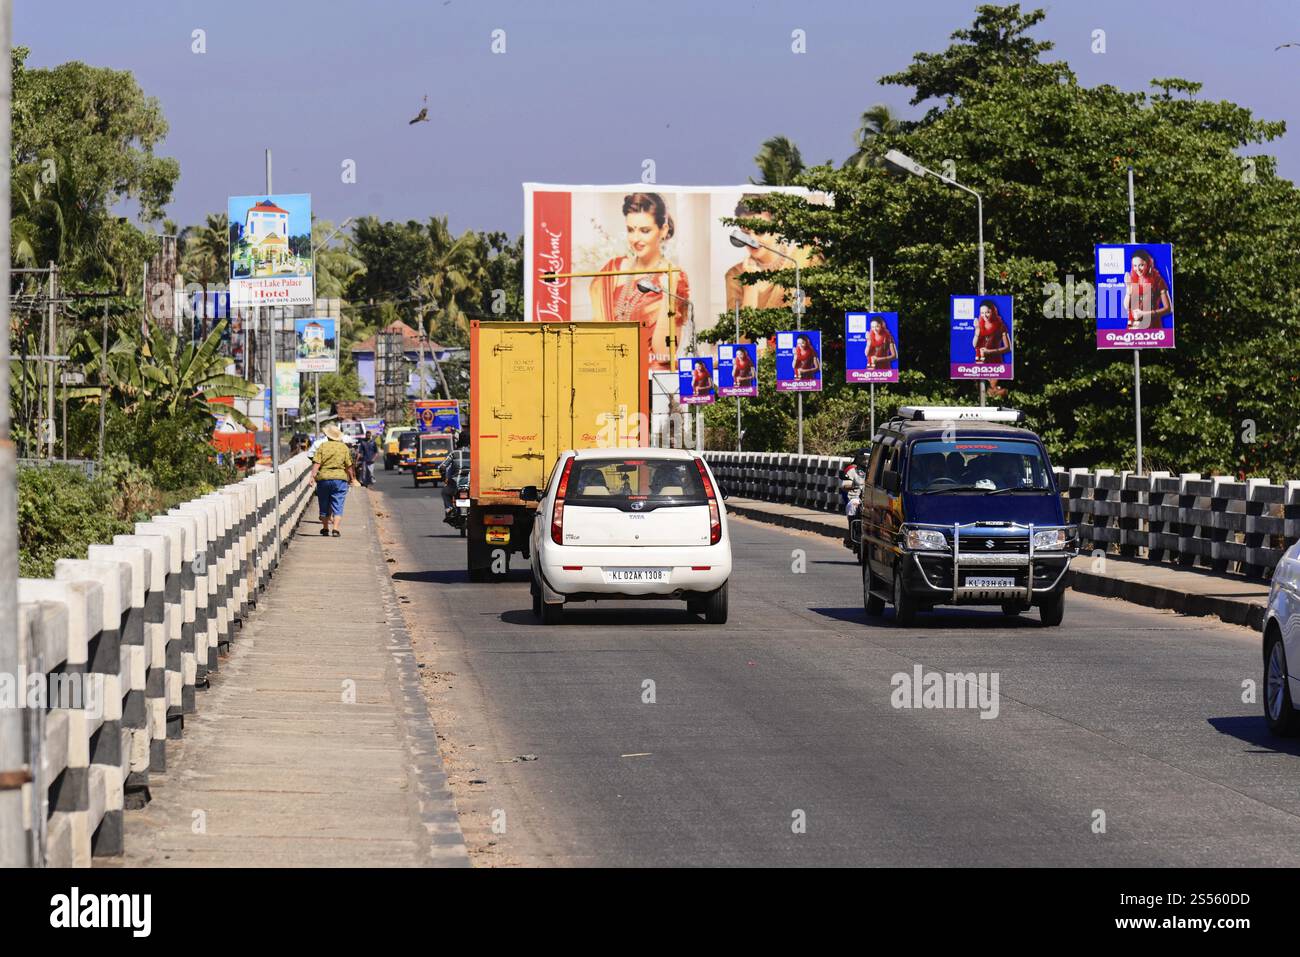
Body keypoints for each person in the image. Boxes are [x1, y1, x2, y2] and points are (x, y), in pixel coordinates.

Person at [588, 192, 691, 371]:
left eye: (645, 231)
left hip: (652, 382)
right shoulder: (612, 270)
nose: (635, 239)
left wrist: (668, 295)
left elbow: (665, 353)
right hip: (610, 374)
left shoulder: (673, 276)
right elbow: (596, 337)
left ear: (663, 230)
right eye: (630, 230)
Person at [724, 194, 816, 312]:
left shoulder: (804, 259)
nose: (752, 240)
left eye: (760, 231)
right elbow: (737, 330)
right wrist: (750, 289)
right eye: (745, 233)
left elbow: (806, 318)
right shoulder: (735, 275)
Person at [310, 424, 358, 538]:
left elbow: (317, 463)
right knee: (338, 504)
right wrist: (352, 478)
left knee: (324, 503)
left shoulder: (322, 446)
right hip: (340, 479)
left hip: (324, 479)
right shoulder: (344, 448)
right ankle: (335, 529)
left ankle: (325, 528)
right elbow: (349, 465)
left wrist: (312, 476)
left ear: (327, 435)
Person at [971, 299, 1011, 400]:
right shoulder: (980, 325)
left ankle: (995, 397)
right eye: (982, 313)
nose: (985, 315)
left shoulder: (1001, 326)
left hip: (995, 362)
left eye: (988, 312)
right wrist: (977, 330)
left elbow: (1008, 347)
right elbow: (975, 345)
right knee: (980, 387)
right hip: (980, 360)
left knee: (992, 386)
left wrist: (990, 352)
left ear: (993, 311)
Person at [1124, 249, 1172, 331]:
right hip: (1134, 327)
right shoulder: (1132, 279)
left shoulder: (1158, 280)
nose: (1137, 269)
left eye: (1141, 265)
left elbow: (1168, 309)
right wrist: (1128, 291)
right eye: (1135, 265)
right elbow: (1127, 307)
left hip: (1153, 328)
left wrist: (1145, 314)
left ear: (1148, 264)